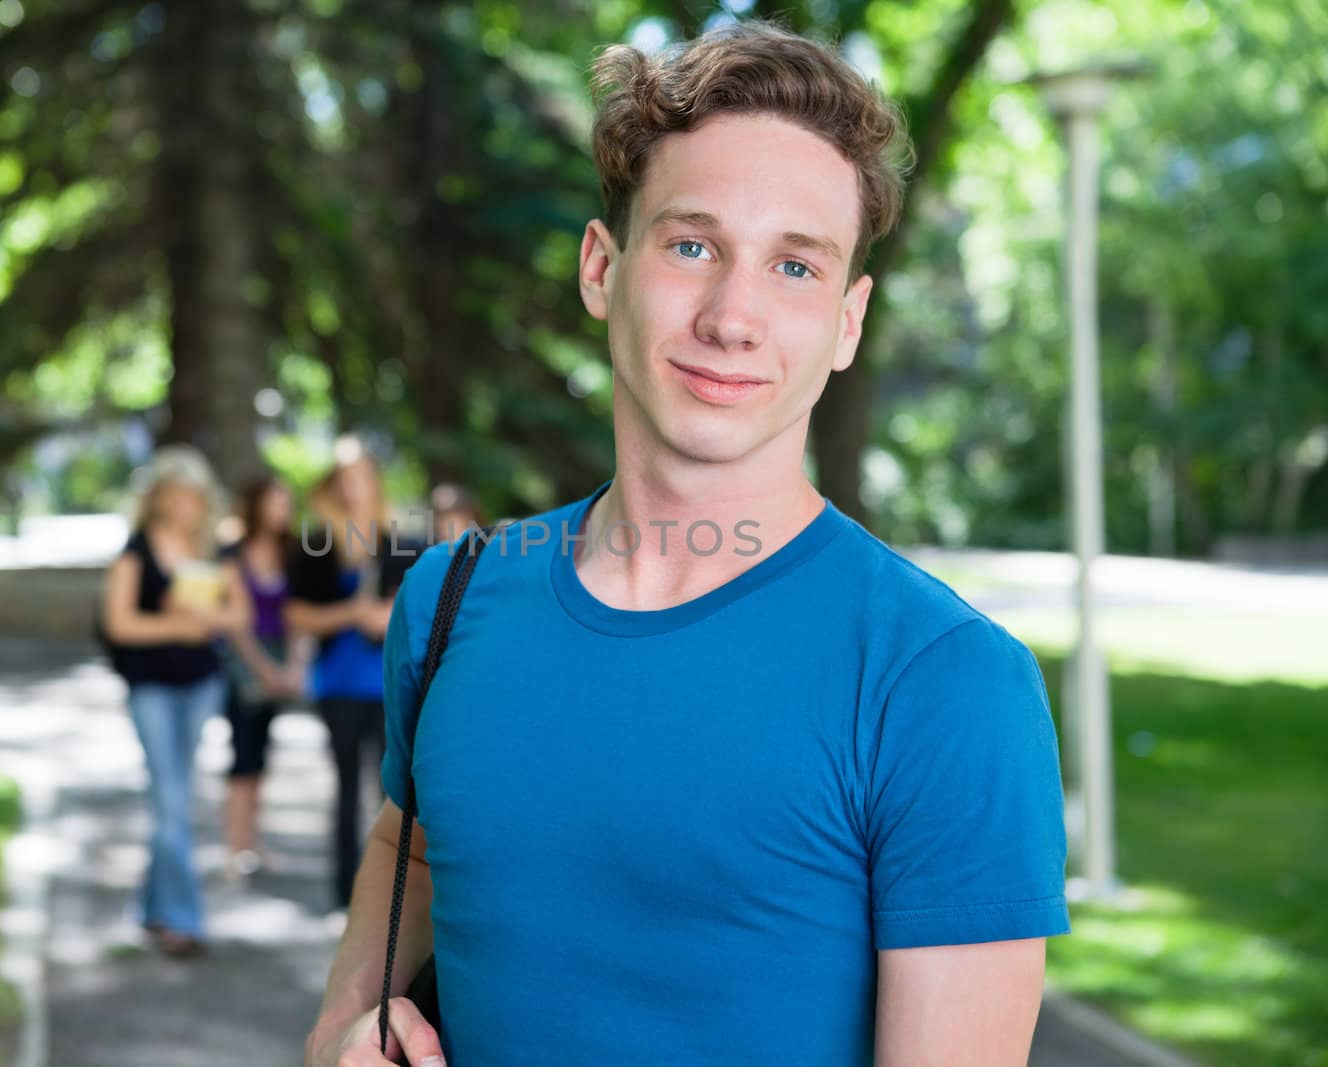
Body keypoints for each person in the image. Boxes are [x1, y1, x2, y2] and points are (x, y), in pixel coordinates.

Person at [306, 21, 1069, 1067]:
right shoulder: (450, 600)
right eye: (693, 245)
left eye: (795, 266)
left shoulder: (942, 681)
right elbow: (410, 845)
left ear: (847, 324)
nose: (733, 314)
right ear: (599, 267)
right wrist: (335, 1036)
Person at [100, 445, 238, 959]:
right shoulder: (134, 554)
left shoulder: (213, 553)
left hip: (201, 684)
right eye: (174, 496)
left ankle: (153, 908)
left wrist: (207, 621)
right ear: (156, 499)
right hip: (151, 687)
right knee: (172, 800)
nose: (184, 507)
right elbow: (119, 625)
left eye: (193, 497)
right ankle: (183, 919)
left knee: (175, 799)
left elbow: (238, 618)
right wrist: (178, 623)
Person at [285, 436, 424, 908]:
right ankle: (346, 891)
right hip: (338, 685)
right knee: (346, 787)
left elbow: (414, 611)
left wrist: (381, 618)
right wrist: (352, 613)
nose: (353, 488)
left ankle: (393, 892)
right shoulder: (318, 544)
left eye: (361, 477)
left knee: (393, 794)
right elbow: (297, 615)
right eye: (343, 479)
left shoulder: (399, 541)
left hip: (389, 687)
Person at [218, 474, 310, 878]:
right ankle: (235, 847)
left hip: (280, 656)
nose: (283, 510)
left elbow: (300, 614)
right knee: (243, 755)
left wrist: (294, 665)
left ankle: (253, 842)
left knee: (263, 755)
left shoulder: (295, 553)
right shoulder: (232, 555)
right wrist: (266, 669)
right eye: (276, 501)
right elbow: (239, 625)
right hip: (246, 663)